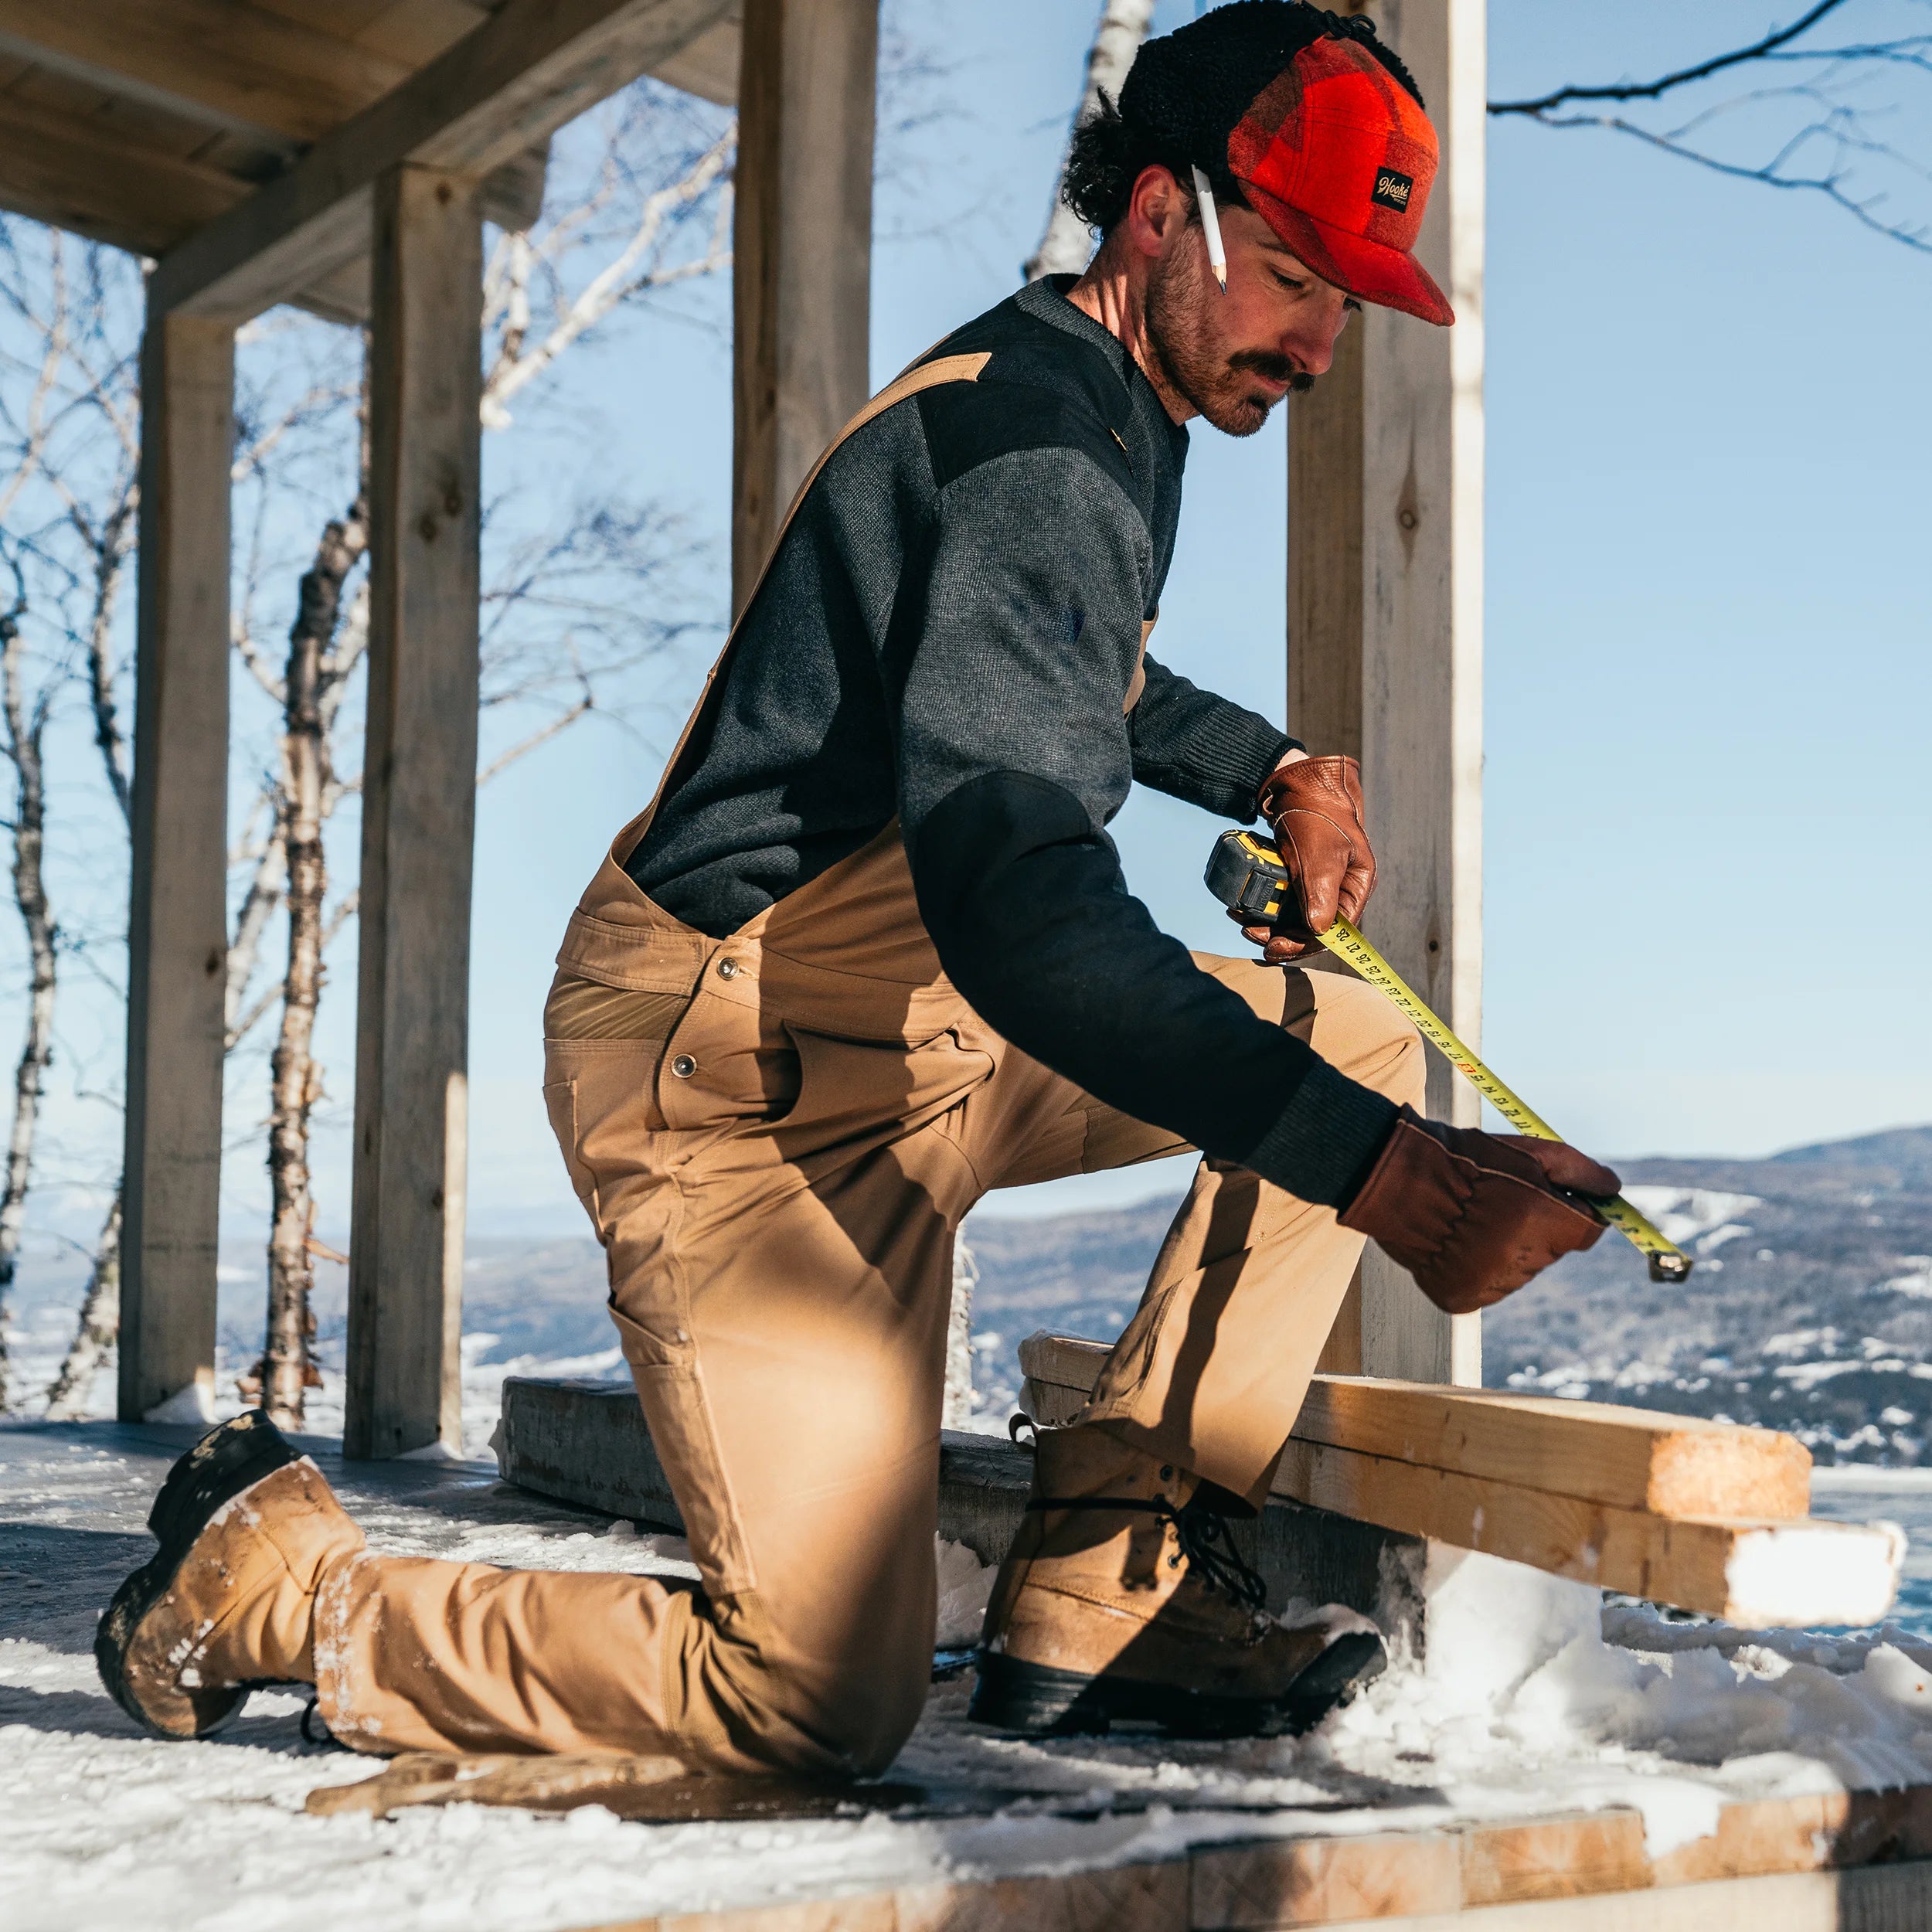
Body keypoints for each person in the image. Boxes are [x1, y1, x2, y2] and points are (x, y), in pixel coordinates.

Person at [98, 2, 1619, 1774]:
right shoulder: (1044, 447)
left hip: (917, 1034)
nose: (1320, 339)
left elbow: (1057, 667)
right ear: (1155, 215)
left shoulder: (1093, 399)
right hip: (735, 1081)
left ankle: (1104, 1583)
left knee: (1348, 1032)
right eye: (1292, 274)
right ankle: (281, 1584)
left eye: (1347, 300)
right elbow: (1025, 909)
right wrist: (1393, 1185)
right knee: (810, 1696)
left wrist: (1264, 765)